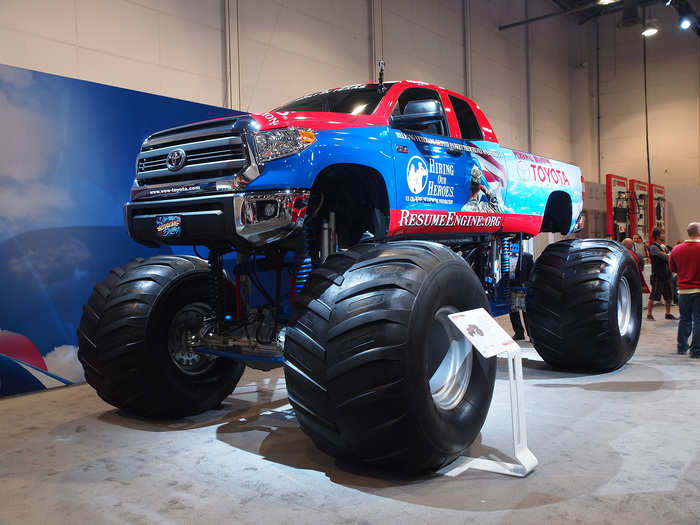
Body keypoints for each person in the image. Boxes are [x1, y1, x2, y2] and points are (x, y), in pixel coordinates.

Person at [669, 222, 700, 358]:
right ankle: (696, 351)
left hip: (683, 290)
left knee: (684, 319)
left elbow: (673, 269)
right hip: (699, 290)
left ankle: (682, 347)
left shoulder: (676, 249)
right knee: (699, 321)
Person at [647, 228, 676, 321]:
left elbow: (669, 255)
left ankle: (668, 313)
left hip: (667, 274)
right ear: (657, 236)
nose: (664, 235)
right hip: (658, 275)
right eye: (662, 233)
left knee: (669, 295)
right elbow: (666, 257)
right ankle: (649, 314)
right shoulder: (653, 247)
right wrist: (668, 255)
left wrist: (668, 254)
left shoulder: (664, 246)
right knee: (654, 294)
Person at [509, 249, 534, 340]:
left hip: (524, 289)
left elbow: (532, 272)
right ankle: (519, 333)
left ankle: (531, 335)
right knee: (513, 312)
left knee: (526, 313)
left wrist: (527, 285)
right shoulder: (507, 257)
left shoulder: (527, 256)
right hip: (512, 288)